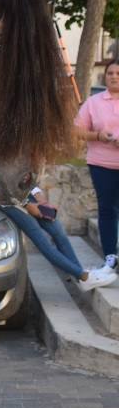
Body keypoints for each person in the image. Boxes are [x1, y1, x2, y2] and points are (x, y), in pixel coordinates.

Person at [0, 185, 115, 290]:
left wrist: (39, 196)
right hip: (8, 200)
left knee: (58, 231)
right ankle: (84, 276)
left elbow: (26, 174)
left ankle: (82, 276)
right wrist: (26, 204)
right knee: (42, 239)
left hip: (24, 191)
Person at [75, 59, 119, 273]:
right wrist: (98, 136)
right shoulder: (94, 102)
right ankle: (110, 257)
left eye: (118, 73)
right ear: (105, 77)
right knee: (107, 209)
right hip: (102, 165)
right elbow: (77, 131)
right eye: (110, 73)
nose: (114, 76)